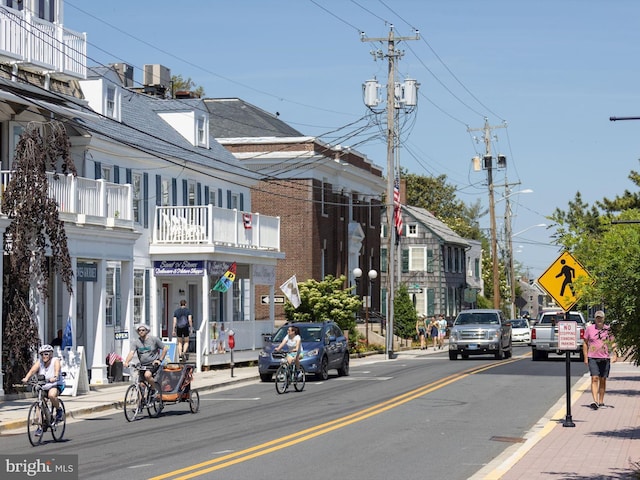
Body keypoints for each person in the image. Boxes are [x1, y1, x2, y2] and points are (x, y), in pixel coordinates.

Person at [22, 344, 66, 434]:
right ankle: (40, 426)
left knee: (51, 395)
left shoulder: (55, 361)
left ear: (50, 354)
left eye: (46, 354)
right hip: (44, 385)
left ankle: (59, 410)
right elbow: (32, 370)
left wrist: (55, 376)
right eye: (42, 354)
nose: (44, 356)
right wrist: (26, 378)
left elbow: (57, 369)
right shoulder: (40, 362)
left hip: (56, 384)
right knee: (39, 404)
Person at [583, 310, 617, 410]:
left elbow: (613, 343)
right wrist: (585, 357)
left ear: (603, 318)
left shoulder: (608, 330)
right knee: (594, 378)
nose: (599, 319)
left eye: (601, 317)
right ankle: (595, 401)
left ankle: (601, 401)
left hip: (605, 357)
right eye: (597, 317)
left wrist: (615, 354)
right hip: (592, 357)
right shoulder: (590, 329)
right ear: (595, 318)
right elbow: (585, 343)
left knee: (603, 379)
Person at [124, 324, 168, 394]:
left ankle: (154, 388)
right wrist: (126, 362)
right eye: (139, 330)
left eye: (143, 330)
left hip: (153, 364)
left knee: (147, 375)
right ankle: (141, 402)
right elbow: (131, 353)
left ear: (147, 331)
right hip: (143, 365)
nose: (141, 332)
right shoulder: (136, 342)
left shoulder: (154, 339)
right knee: (141, 385)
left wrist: (160, 360)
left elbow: (165, 348)